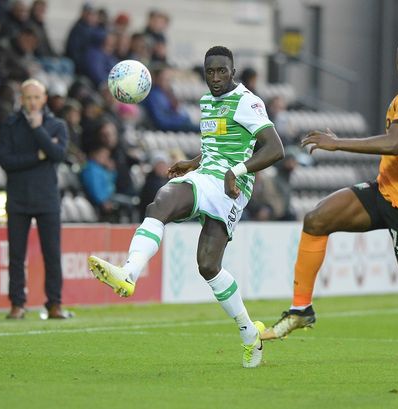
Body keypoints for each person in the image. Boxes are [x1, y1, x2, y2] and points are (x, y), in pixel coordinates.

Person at [262, 29, 398, 386]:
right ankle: (301, 309)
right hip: (385, 192)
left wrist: (337, 143)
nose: (397, 61)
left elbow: (395, 143)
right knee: (317, 219)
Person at [88, 46, 285, 368]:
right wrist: (193, 163)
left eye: (223, 71)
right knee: (161, 204)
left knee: (208, 265)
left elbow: (275, 149)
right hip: (208, 176)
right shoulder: (207, 102)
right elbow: (218, 146)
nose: (217, 78)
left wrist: (236, 172)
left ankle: (248, 331)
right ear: (204, 74)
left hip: (233, 186)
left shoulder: (247, 102)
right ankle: (129, 273)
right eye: (211, 72)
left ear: (233, 72)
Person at [0, 79, 70, 320]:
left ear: (44, 99)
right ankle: (17, 304)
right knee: (16, 255)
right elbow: (6, 161)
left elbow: (58, 155)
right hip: (18, 198)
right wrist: (39, 156)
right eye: (28, 97)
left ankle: (54, 304)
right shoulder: (10, 124)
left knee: (52, 254)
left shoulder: (56, 125)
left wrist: (38, 130)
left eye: (36, 97)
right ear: (21, 99)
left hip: (47, 198)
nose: (32, 102)